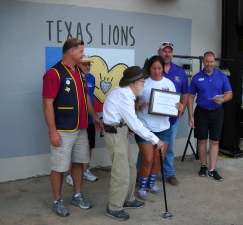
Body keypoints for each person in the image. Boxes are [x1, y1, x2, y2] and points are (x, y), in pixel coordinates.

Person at [42, 38, 103, 217]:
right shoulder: (54, 73)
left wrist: (94, 117)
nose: (83, 54)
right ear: (72, 52)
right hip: (63, 129)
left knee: (79, 163)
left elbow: (86, 99)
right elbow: (47, 104)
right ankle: (57, 201)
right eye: (81, 51)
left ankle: (77, 195)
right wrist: (53, 131)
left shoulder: (80, 72)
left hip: (82, 128)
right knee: (59, 167)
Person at [103, 66, 165, 221]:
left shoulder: (126, 93)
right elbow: (135, 124)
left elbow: (129, 121)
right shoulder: (123, 95)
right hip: (115, 134)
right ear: (135, 83)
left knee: (130, 166)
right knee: (121, 171)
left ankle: (128, 199)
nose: (144, 84)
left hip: (121, 131)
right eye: (142, 81)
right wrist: (155, 140)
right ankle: (114, 207)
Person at [135, 56, 183, 200]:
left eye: (159, 68)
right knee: (148, 160)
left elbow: (176, 108)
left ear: (164, 69)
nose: (156, 71)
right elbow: (132, 105)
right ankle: (142, 186)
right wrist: (139, 107)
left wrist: (179, 109)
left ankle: (150, 184)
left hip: (164, 128)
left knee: (158, 160)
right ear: (149, 69)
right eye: (154, 68)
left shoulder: (169, 83)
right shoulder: (143, 84)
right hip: (145, 127)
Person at [187, 51, 232, 181]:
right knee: (201, 140)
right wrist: (190, 116)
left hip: (217, 112)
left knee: (214, 141)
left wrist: (223, 100)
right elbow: (190, 97)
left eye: (211, 61)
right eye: (207, 61)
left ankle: (212, 169)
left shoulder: (222, 77)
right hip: (201, 112)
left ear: (214, 62)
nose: (209, 64)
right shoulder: (196, 77)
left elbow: (229, 93)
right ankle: (203, 166)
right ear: (203, 62)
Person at [158, 41, 189, 186]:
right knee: (150, 146)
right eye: (165, 51)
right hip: (154, 117)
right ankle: (144, 175)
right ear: (159, 52)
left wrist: (181, 109)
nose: (167, 54)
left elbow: (185, 93)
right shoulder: (153, 68)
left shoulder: (179, 71)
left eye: (170, 51)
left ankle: (169, 173)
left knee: (169, 147)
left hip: (172, 119)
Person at [65, 55, 98, 186]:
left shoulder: (92, 78)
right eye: (85, 64)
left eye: (89, 64)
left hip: (89, 119)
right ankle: (69, 174)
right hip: (75, 120)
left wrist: (94, 116)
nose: (88, 66)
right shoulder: (71, 77)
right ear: (78, 64)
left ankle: (85, 170)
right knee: (72, 149)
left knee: (89, 146)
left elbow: (89, 98)